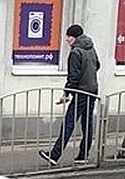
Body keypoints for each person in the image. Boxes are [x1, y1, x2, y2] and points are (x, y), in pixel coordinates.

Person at [39, 24, 101, 167]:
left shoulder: (75, 52)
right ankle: (83, 156)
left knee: (68, 123)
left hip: (80, 92)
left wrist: (66, 93)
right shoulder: (90, 47)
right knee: (87, 124)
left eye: (69, 37)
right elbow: (97, 65)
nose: (67, 39)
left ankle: (54, 155)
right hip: (92, 90)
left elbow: (73, 77)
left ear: (75, 37)